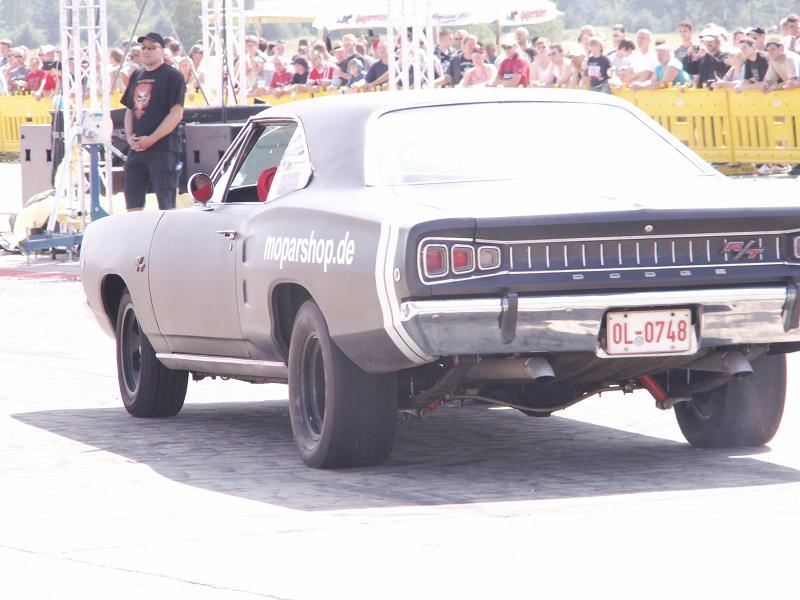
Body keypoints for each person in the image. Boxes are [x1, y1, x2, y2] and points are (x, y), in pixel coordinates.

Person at [121, 32, 185, 212]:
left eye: (151, 48)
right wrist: (129, 137)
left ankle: (167, 230)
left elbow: (176, 114)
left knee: (166, 202)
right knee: (132, 200)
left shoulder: (172, 75)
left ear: (162, 50)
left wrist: (152, 138)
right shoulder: (136, 74)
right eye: (143, 48)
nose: (146, 51)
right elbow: (129, 109)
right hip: (136, 147)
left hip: (162, 148)